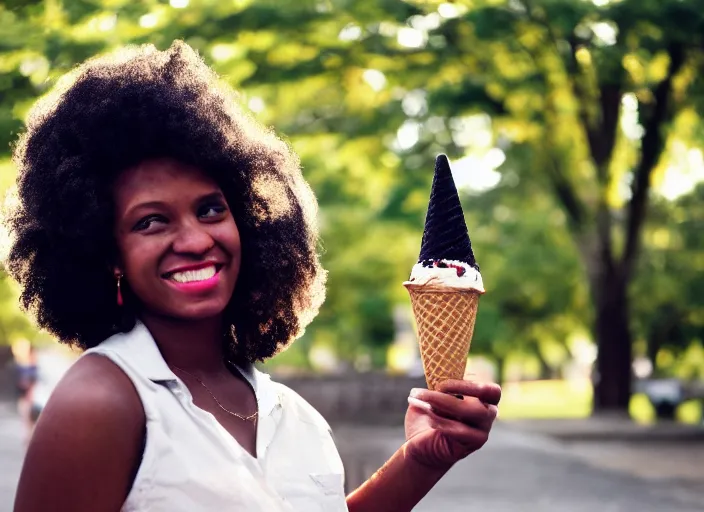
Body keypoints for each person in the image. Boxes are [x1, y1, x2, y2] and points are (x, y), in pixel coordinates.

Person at [5, 41, 501, 512]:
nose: (197, 239)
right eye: (151, 221)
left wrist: (422, 459)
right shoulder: (100, 401)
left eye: (210, 209)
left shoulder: (283, 407)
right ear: (106, 252)